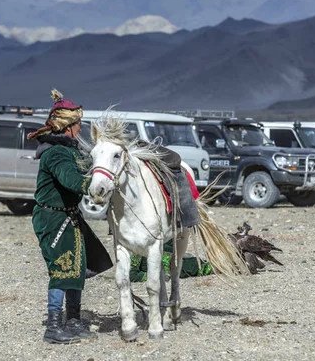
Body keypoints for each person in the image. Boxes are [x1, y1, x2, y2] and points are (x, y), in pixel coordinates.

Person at [26, 89, 113, 344]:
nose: (81, 128)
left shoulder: (71, 150)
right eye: (78, 124)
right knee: (62, 268)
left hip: (69, 216)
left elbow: (87, 168)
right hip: (52, 219)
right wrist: (89, 188)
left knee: (78, 267)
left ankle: (73, 320)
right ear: (69, 127)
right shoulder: (55, 153)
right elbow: (69, 178)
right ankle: (53, 327)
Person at [129, 240, 212, 283]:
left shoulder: (168, 228)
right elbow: (132, 275)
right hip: (178, 270)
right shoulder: (137, 242)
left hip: (187, 264)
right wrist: (158, 276)